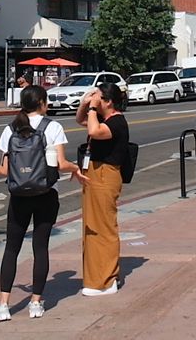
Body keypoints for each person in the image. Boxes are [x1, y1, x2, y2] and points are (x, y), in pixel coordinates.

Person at [0, 86, 86, 321]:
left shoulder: (10, 129)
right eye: (46, 100)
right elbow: (61, 164)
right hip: (46, 194)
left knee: (12, 248)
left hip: (19, 196)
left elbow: (5, 170)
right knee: (40, 248)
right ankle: (36, 304)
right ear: (41, 102)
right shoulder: (53, 127)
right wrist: (76, 168)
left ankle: (3, 305)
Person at [75, 82, 130, 296]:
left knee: (104, 227)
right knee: (92, 226)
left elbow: (93, 131)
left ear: (108, 102)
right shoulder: (102, 118)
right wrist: (85, 103)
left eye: (99, 98)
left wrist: (91, 108)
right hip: (94, 173)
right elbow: (80, 120)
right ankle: (96, 277)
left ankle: (107, 280)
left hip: (105, 175)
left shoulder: (117, 122)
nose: (95, 101)